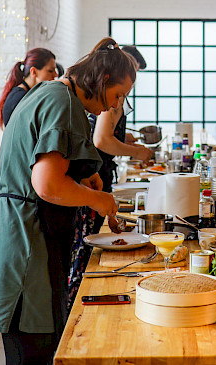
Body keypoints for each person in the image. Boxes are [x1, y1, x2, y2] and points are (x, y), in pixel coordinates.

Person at [0, 37, 136, 364]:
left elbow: (42, 163)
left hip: (17, 236)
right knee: (32, 355)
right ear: (102, 81)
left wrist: (82, 178)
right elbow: (47, 185)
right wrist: (98, 200)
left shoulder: (51, 91)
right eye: (118, 95)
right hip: (26, 244)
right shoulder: (63, 103)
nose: (117, 105)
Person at [67, 45, 153, 311]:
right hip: (94, 172)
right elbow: (102, 140)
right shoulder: (74, 100)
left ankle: (77, 298)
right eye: (119, 93)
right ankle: (80, 300)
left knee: (88, 242)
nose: (118, 101)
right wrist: (138, 152)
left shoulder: (101, 97)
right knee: (88, 245)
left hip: (91, 174)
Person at [0, 48, 58, 128]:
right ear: (33, 71)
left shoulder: (28, 94)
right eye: (50, 71)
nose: (56, 75)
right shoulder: (20, 98)